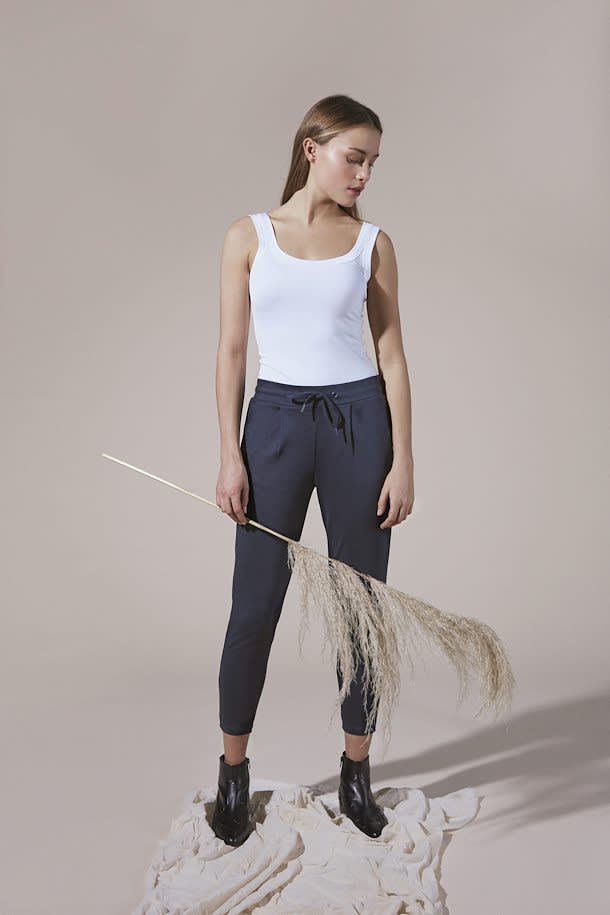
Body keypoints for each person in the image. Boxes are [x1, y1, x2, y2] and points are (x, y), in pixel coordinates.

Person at [212, 94, 414, 847]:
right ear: (311, 148)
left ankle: (356, 770)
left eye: (372, 163)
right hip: (274, 424)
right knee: (253, 606)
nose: (363, 175)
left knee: (362, 607)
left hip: (360, 423)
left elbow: (392, 357)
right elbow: (233, 352)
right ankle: (233, 773)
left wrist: (404, 460)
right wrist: (230, 453)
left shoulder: (373, 244)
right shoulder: (248, 236)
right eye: (353, 157)